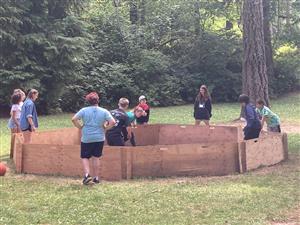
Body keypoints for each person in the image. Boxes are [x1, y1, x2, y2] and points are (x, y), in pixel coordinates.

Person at [72, 92, 115, 185]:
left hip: (87, 137)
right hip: (99, 137)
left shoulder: (84, 110)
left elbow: (74, 119)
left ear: (88, 101)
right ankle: (96, 177)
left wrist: (80, 127)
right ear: (98, 100)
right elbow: (113, 122)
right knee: (96, 157)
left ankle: (87, 175)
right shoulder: (104, 111)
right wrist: (105, 128)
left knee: (85, 157)